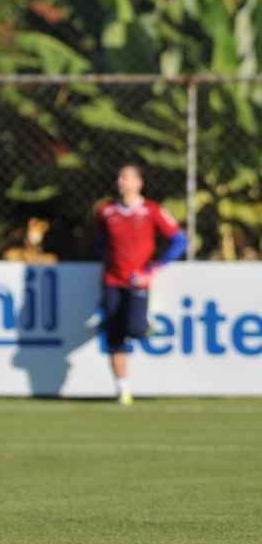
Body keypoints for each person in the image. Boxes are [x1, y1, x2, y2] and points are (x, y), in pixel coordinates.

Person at [94, 164, 186, 406]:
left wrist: (153, 270)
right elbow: (100, 244)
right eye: (119, 177)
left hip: (138, 281)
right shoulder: (106, 212)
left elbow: (179, 241)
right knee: (114, 335)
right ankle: (123, 390)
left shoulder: (152, 210)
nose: (121, 182)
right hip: (112, 280)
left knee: (135, 329)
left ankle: (148, 321)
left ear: (138, 183)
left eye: (126, 178)